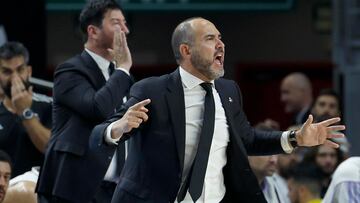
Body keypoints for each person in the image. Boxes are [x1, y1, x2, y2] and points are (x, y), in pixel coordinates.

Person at [91, 17, 345, 203]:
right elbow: (100, 133)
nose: (221, 44)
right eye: (210, 38)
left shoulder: (229, 91)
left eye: (221, 38)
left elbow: (247, 139)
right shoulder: (152, 90)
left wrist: (296, 138)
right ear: (186, 50)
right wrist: (118, 127)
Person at [36, 0, 133, 202]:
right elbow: (98, 109)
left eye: (125, 23)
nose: (125, 30)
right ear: (93, 31)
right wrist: (123, 68)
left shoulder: (121, 77)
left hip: (115, 189)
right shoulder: (70, 71)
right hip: (74, 187)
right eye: (116, 23)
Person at [0, 41, 52, 177]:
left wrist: (25, 111)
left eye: (20, 70)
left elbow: (51, 148)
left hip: (39, 192)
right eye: (7, 71)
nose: (15, 78)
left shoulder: (49, 105)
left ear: (29, 71)